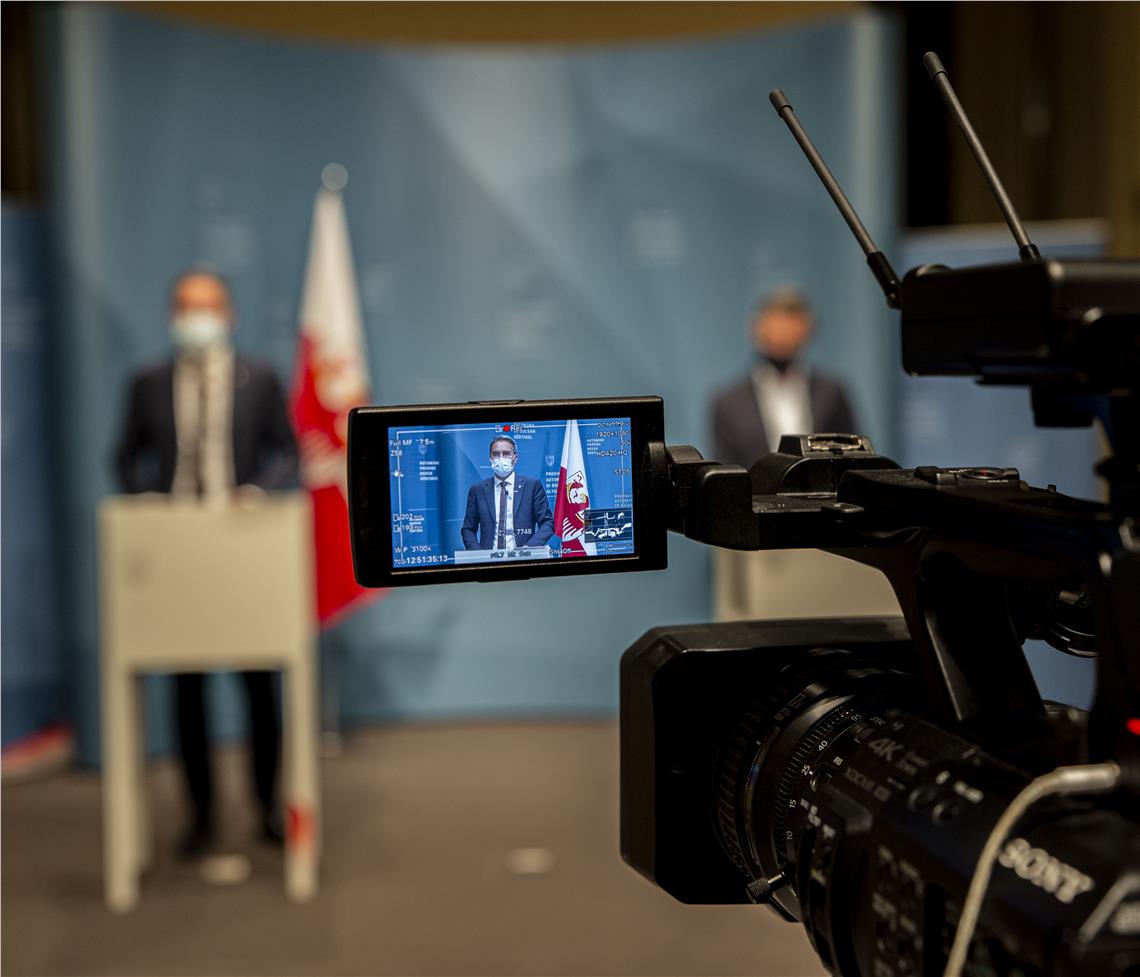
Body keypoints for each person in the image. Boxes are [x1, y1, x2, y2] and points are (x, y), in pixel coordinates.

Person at [113, 267, 299, 858]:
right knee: (186, 690)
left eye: (208, 307)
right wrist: (151, 506)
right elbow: (125, 458)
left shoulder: (259, 378)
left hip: (244, 553)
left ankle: (267, 806)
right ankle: (200, 816)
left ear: (229, 315)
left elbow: (287, 454)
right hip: (179, 557)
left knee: (259, 685)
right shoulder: (148, 383)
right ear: (173, 315)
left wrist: (258, 493)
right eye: (187, 307)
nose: (198, 319)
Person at [710, 288, 858, 473]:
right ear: (757, 330)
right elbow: (725, 469)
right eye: (776, 327)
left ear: (807, 330)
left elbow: (852, 457)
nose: (783, 336)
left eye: (791, 327)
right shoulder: (728, 402)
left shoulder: (831, 393)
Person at [460, 436, 554, 551]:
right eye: (496, 454)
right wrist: (479, 555)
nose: (501, 458)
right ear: (490, 458)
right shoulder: (478, 490)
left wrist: (529, 548)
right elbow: (468, 529)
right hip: (488, 558)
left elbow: (547, 523)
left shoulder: (532, 486)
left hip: (524, 556)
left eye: (506, 454)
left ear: (515, 458)